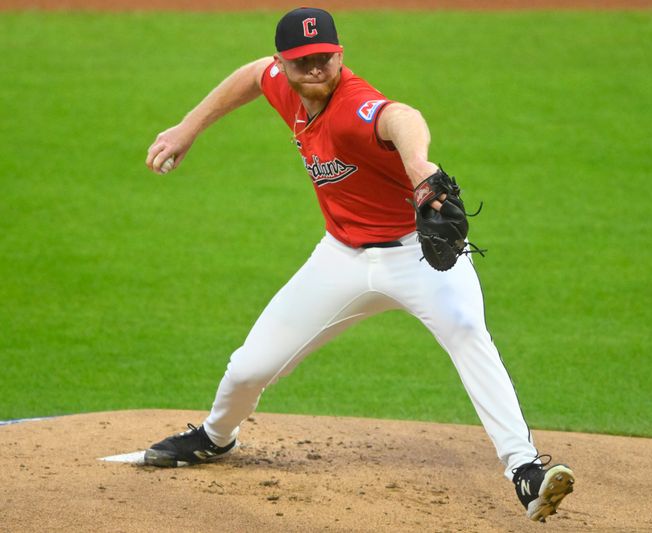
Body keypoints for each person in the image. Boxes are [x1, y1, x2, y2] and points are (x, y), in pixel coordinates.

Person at [143, 7, 574, 522]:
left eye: (325, 57)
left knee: (466, 330)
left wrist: (417, 165)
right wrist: (188, 128)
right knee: (248, 368)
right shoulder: (282, 82)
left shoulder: (356, 105)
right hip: (341, 258)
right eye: (303, 61)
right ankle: (215, 438)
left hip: (417, 255)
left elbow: (401, 116)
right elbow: (253, 75)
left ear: (340, 54)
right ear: (286, 63)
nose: (316, 69)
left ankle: (524, 470)